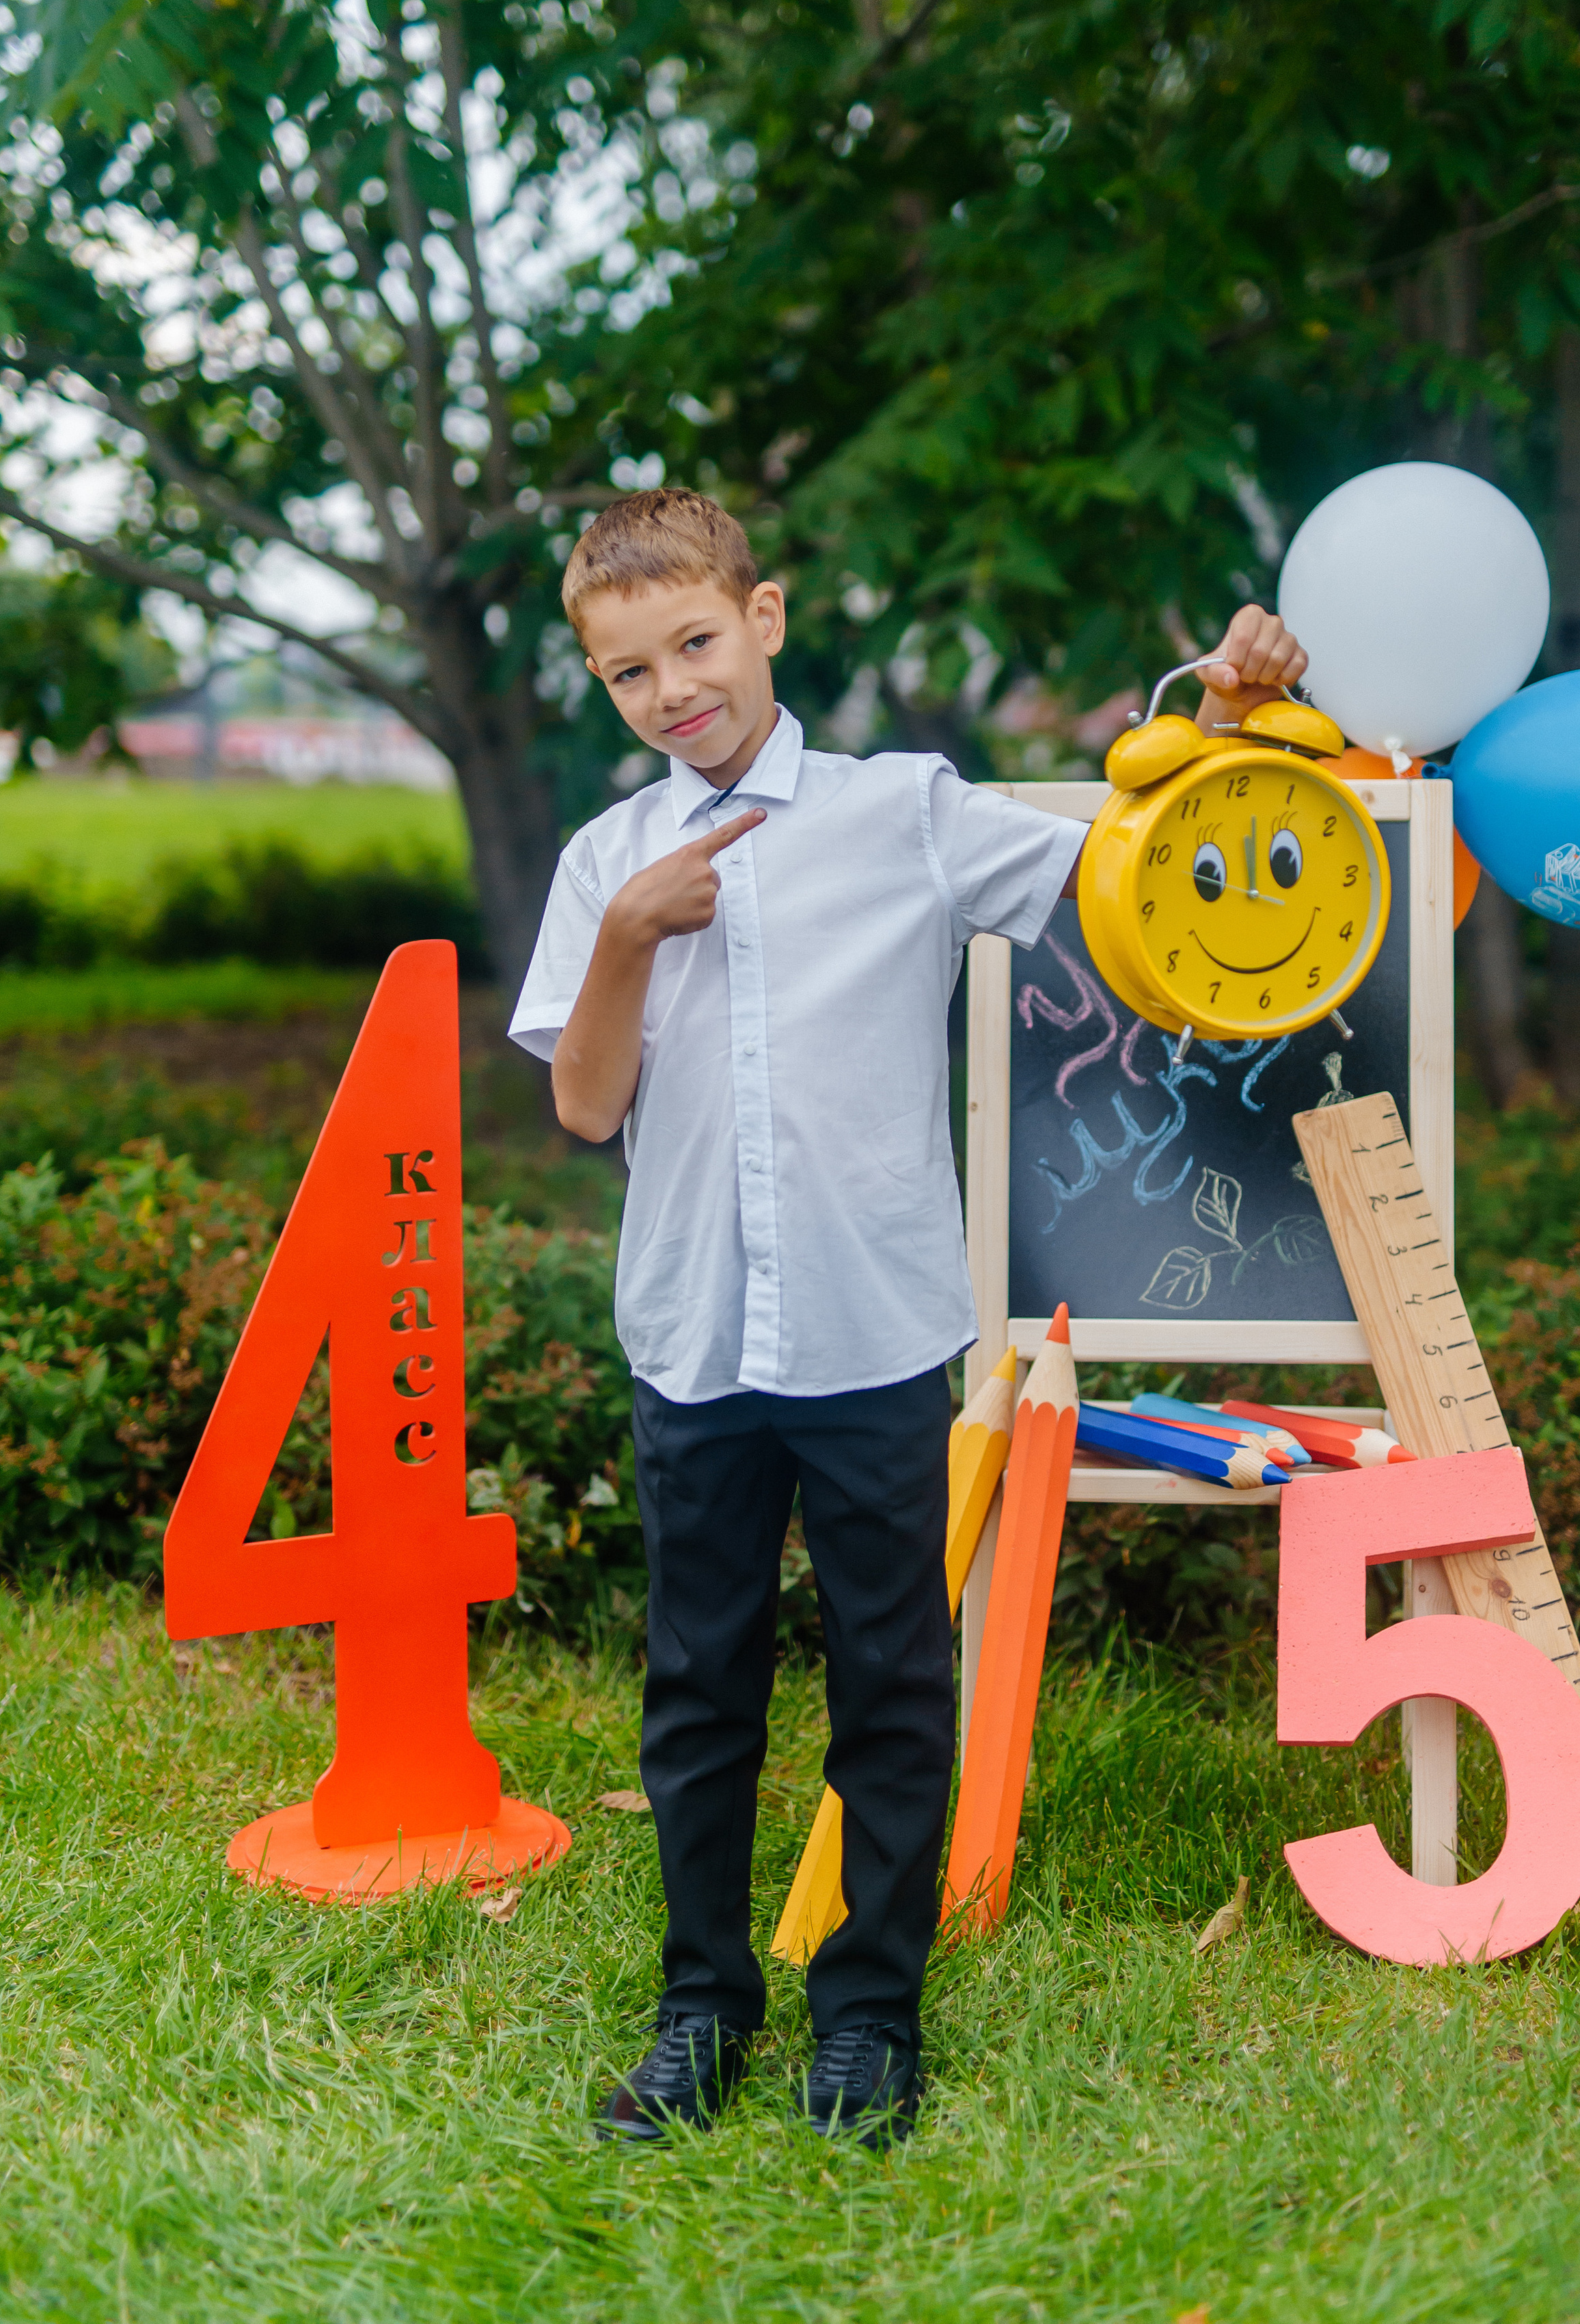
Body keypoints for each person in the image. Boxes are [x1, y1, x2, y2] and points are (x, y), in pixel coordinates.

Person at [508, 487, 1307, 2148]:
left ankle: (866, 2016)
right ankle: (701, 2008)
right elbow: (586, 1108)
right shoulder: (607, 862)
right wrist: (628, 947)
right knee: (698, 1683)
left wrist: (1228, 725)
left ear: (768, 616)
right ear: (603, 684)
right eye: (629, 670)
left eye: (697, 643)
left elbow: (1138, 887)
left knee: (888, 1676)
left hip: (876, 1333)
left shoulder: (905, 814)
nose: (673, 690)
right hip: (695, 1340)